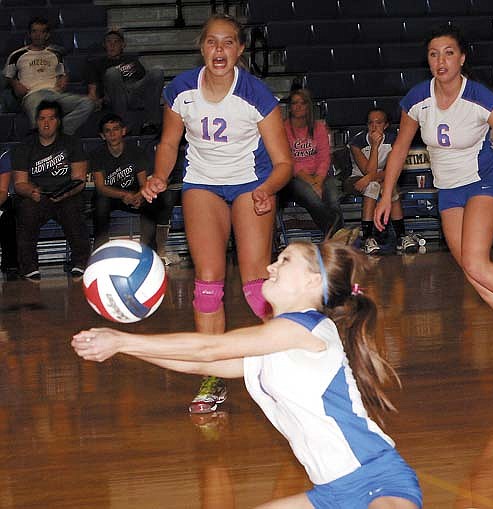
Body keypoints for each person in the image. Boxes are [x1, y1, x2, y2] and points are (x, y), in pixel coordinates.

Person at [72, 241, 423, 509]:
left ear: (313, 280)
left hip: (377, 479)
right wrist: (123, 348)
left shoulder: (309, 328)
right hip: (330, 493)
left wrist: (122, 338)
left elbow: (210, 349)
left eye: (284, 261)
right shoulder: (276, 342)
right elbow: (204, 364)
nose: (270, 266)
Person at [374, 24, 493, 374]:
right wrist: (385, 196)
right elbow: (401, 147)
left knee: (478, 263)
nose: (441, 60)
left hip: (482, 183)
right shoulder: (418, 99)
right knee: (472, 273)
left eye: (448, 52)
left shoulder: (479, 96)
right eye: (434, 54)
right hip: (448, 191)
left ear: (462, 58)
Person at [140, 14, 293, 414]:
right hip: (202, 183)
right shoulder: (181, 90)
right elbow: (170, 142)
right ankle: (213, 376)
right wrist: (158, 176)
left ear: (240, 50)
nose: (219, 50)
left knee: (255, 281)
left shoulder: (257, 94)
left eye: (228, 43)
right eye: (212, 42)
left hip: (251, 184)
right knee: (208, 281)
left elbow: (284, 164)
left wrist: (267, 190)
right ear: (202, 47)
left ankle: (286, 362)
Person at [12, 100, 91, 280]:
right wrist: (32, 192)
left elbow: (79, 180)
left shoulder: (72, 144)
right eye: (41, 119)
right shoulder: (24, 147)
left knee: (74, 210)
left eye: (51, 118)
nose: (46, 123)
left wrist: (67, 193)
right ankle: (29, 267)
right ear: (36, 122)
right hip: (37, 196)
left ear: (58, 121)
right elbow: (19, 184)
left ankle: (81, 262)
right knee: (26, 210)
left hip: (67, 194)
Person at [90, 113, 176, 260]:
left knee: (151, 201)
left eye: (116, 129)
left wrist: (139, 197)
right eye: (108, 131)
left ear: (123, 131)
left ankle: (149, 251)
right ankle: (100, 251)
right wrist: (124, 195)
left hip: (134, 194)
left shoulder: (136, 152)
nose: (112, 134)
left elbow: (143, 184)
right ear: (102, 135)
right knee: (100, 202)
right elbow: (101, 186)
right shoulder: (97, 154)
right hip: (111, 196)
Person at [3, 17, 94, 135]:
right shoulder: (17, 55)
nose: (37, 35)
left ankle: (59, 133)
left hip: (54, 94)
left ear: (47, 35)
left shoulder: (55, 53)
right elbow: (7, 76)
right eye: (34, 31)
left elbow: (63, 73)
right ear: (29, 34)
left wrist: (64, 79)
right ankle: (46, 138)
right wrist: (15, 84)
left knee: (87, 103)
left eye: (41, 32)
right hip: (32, 94)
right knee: (38, 109)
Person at [346, 108, 420, 254]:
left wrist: (374, 178)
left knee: (390, 186)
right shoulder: (357, 142)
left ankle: (401, 236)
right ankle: (367, 237)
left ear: (386, 125)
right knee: (372, 186)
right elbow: (368, 171)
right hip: (357, 179)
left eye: (378, 123)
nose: (374, 127)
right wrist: (374, 146)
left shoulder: (394, 140)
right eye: (370, 123)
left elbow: (392, 169)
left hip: (381, 177)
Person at [282, 88, 345, 238]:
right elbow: (290, 160)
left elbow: (324, 157)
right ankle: (339, 236)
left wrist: (318, 180)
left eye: (302, 103)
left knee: (333, 198)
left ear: (308, 106)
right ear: (290, 107)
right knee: (313, 199)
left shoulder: (319, 127)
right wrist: (312, 183)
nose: (298, 106)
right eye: (295, 103)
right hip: (295, 177)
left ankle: (336, 238)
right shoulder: (283, 128)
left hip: (320, 175)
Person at [86, 29, 165, 135]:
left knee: (157, 72)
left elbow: (145, 82)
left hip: (134, 92)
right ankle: (123, 124)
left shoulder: (132, 60)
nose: (112, 45)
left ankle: (152, 123)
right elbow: (92, 89)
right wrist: (95, 101)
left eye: (116, 42)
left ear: (123, 45)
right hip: (113, 94)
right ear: (104, 45)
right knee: (112, 72)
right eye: (109, 42)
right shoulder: (97, 63)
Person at [0, 148, 18, 275]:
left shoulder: (4, 158)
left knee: (8, 216)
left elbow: (2, 192)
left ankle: (11, 264)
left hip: (3, 202)